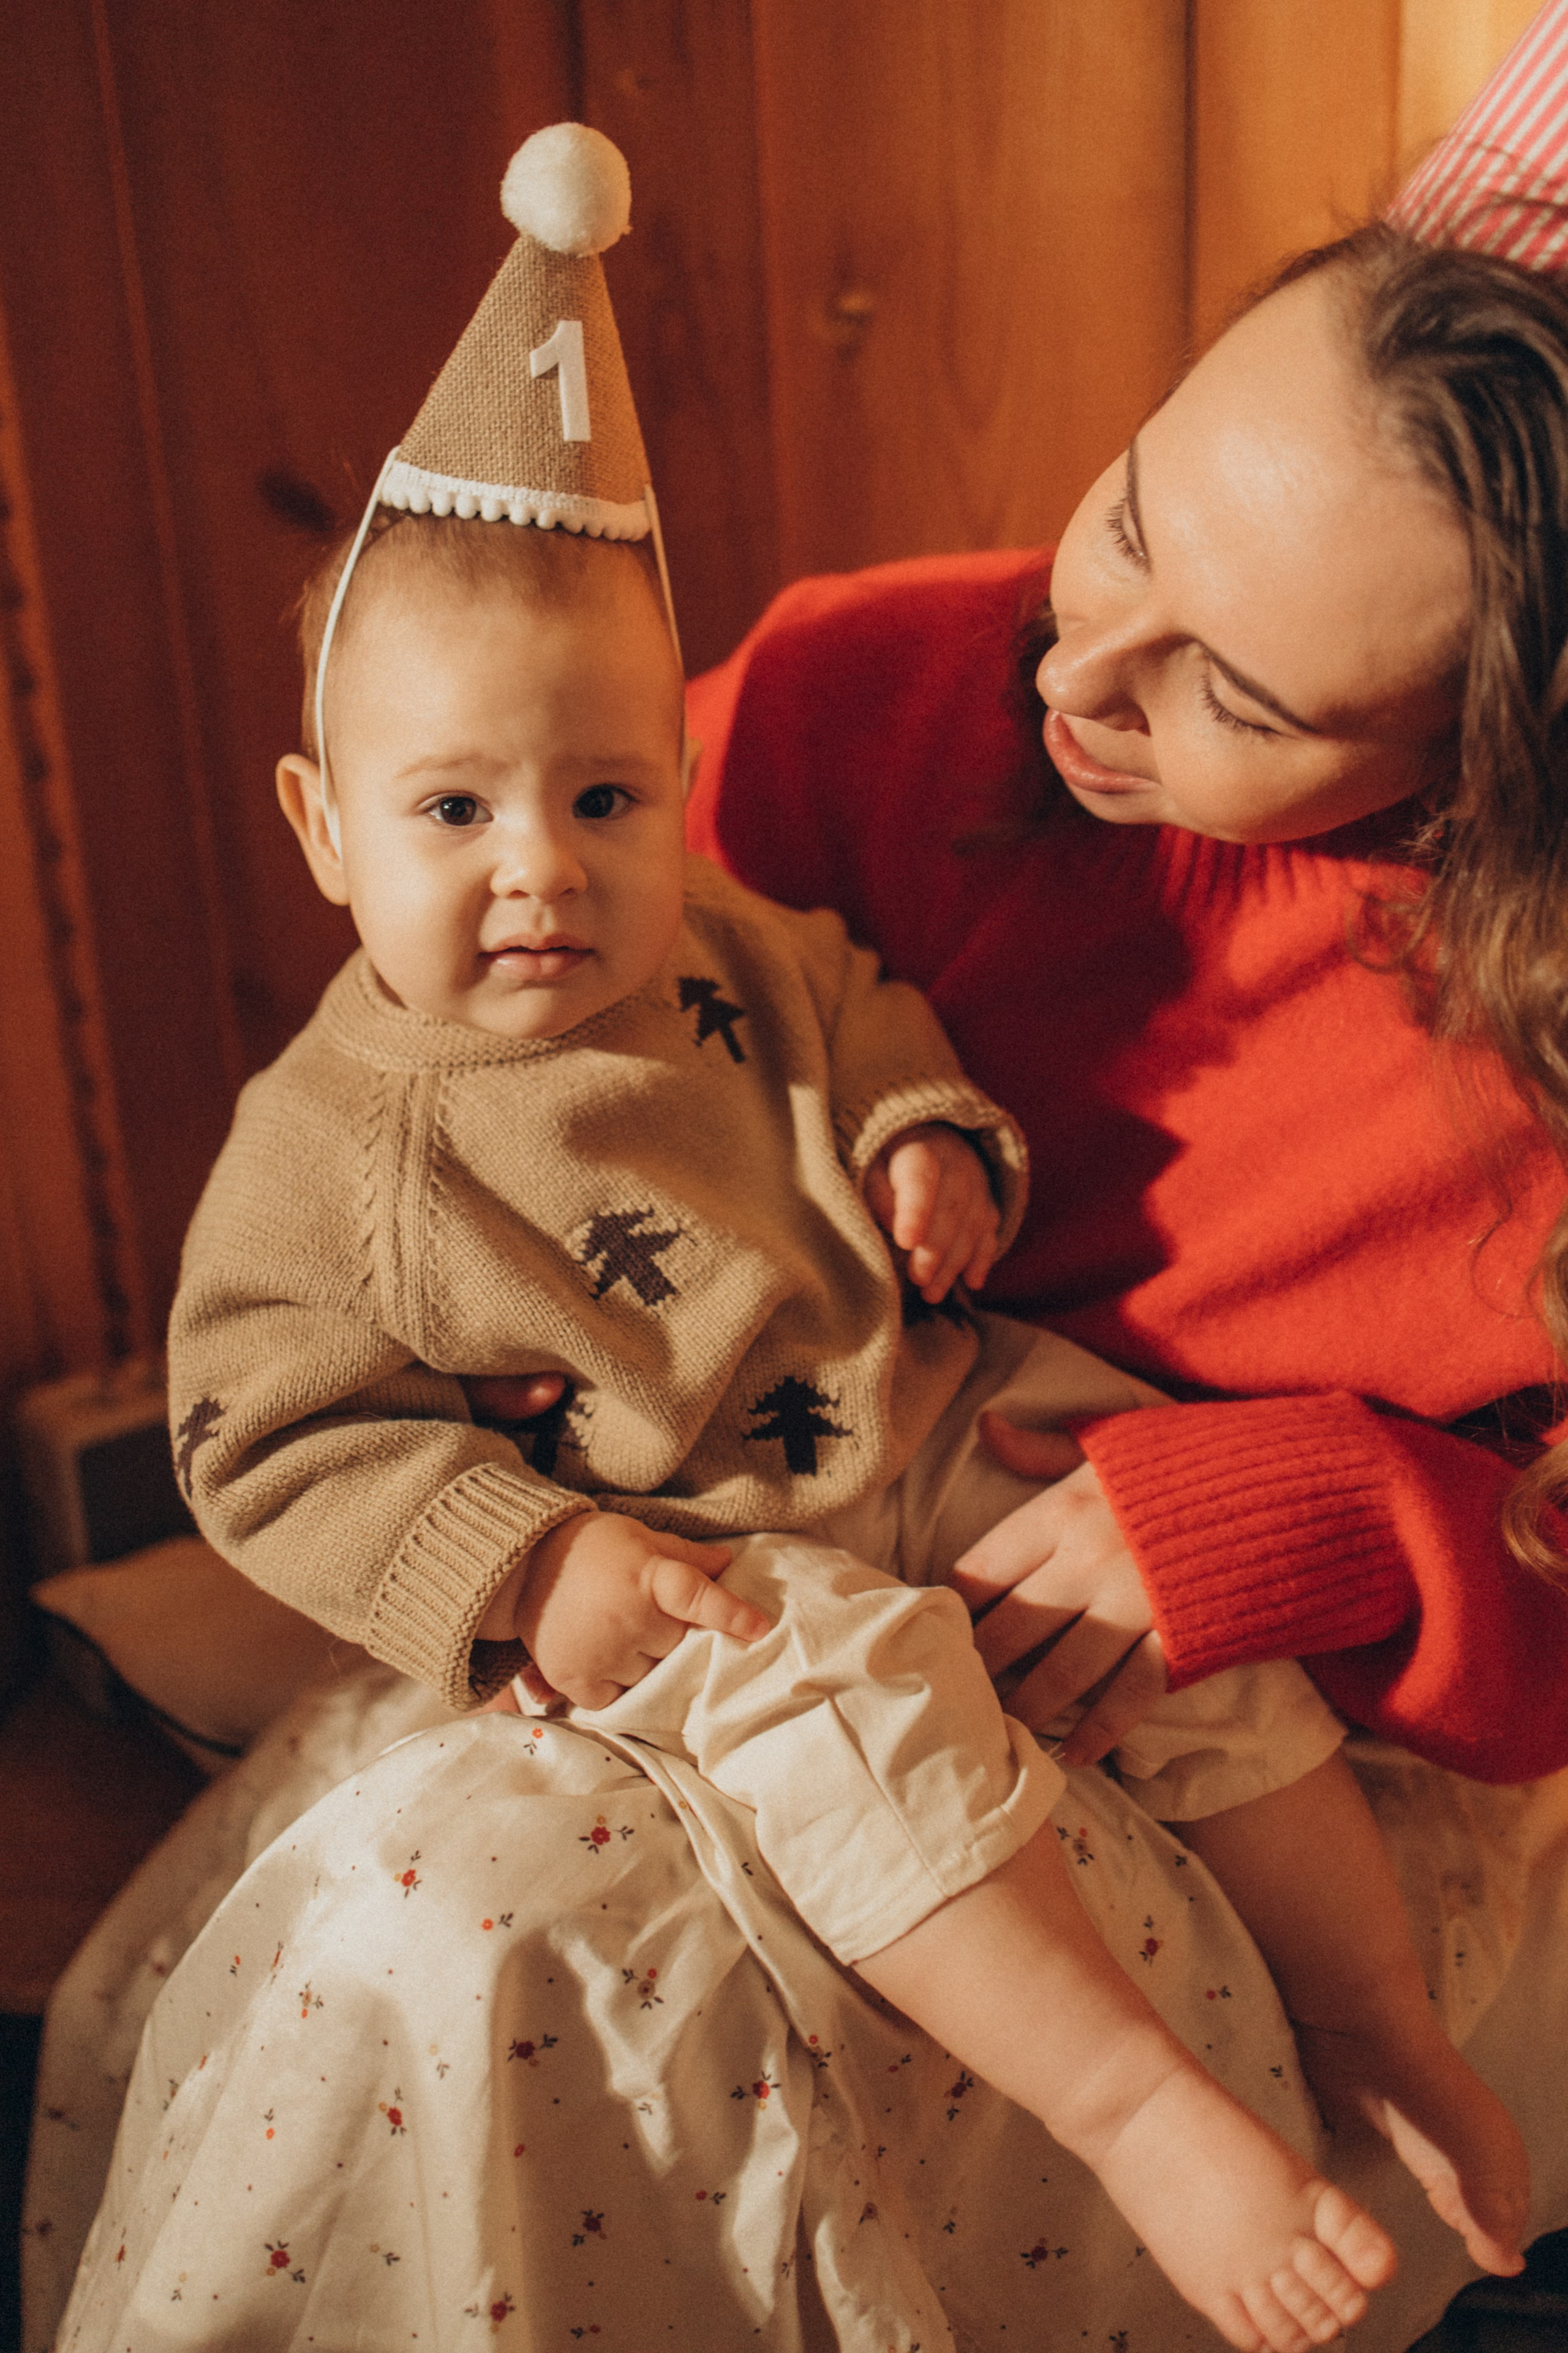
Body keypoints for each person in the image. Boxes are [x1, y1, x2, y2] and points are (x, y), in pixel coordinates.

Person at [34, 106, 1568, 2353]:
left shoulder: (1514, 1054)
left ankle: (1359, 2051)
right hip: (728, 1535)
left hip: (1139, 1585)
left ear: (1484, 752)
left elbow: (827, 1009)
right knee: (490, 1912)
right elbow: (497, 1006)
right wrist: (513, 1484)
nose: (1080, 675)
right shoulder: (879, 680)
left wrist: (1318, 1503)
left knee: (1084, 1767)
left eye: (1233, 696)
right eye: (1127, 517)